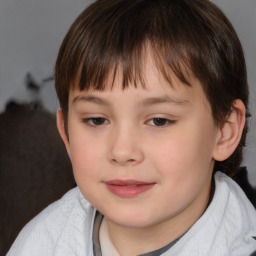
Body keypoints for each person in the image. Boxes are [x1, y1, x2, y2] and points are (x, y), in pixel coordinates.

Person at [7, 0, 256, 255]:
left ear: (224, 131)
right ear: (67, 134)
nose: (123, 151)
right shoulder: (41, 242)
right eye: (97, 120)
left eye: (159, 120)